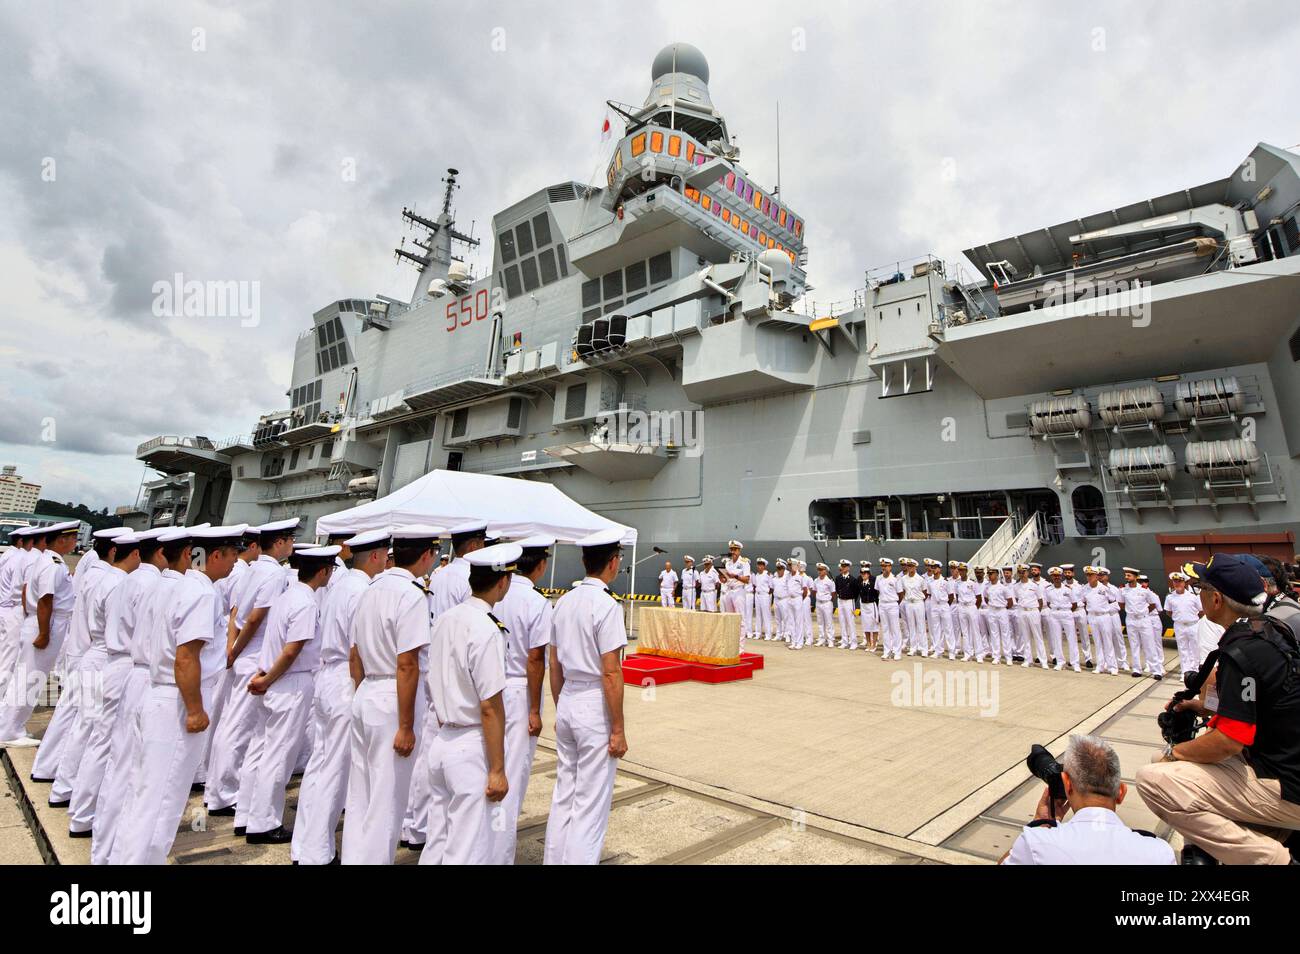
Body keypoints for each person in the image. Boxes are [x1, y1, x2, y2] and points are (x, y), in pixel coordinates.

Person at [1137, 554, 1300, 864]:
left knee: (1154, 778)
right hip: (1283, 763)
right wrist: (1201, 707)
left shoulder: (1242, 652)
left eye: (1200, 586)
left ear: (1215, 599)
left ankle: (1272, 858)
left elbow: (1229, 740)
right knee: (1163, 762)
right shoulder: (1269, 630)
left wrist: (1177, 753)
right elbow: (1262, 704)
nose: (1196, 591)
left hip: (1286, 784)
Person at [109, 525, 245, 864]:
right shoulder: (202, 593)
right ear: (214, 555)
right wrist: (196, 710)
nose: (234, 564)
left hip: (157, 693)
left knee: (141, 795)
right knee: (162, 801)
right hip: (176, 702)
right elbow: (187, 656)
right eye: (231, 555)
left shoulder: (173, 584)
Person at [341, 525, 439, 864]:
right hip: (392, 699)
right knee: (387, 802)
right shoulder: (411, 594)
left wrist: (360, 696)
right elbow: (408, 664)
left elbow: (354, 654)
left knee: (360, 795)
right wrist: (407, 725)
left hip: (366, 692)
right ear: (426, 555)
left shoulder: (371, 588)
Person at [291, 529, 387, 865]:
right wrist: (361, 692)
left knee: (319, 766)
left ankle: (302, 845)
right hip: (346, 681)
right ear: (374, 556)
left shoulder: (340, 585)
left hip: (326, 678)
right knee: (335, 770)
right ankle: (317, 853)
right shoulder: (361, 590)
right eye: (384, 554)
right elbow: (356, 649)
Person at [419, 543, 516, 864]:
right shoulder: (487, 630)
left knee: (438, 840)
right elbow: (490, 705)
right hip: (470, 746)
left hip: (441, 739)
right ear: (502, 582)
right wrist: (498, 769)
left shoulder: (446, 619)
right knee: (468, 848)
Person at [241, 545, 338, 844]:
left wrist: (265, 677)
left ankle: (247, 812)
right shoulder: (306, 603)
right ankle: (264, 823)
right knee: (279, 756)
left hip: (273, 681)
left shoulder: (287, 596)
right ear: (323, 571)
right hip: (289, 683)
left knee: (260, 749)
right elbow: (292, 650)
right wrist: (268, 679)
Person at [84, 527, 170, 864]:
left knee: (105, 746)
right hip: (131, 669)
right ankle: (109, 842)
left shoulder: (121, 581)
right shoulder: (149, 585)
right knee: (122, 759)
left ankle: (93, 826)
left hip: (112, 662)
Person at [544, 528, 628, 865]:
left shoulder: (563, 601)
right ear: (613, 563)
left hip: (567, 699)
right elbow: (611, 672)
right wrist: (618, 728)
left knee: (565, 793)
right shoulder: (606, 606)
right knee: (590, 804)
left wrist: (560, 705)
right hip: (594, 703)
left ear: (584, 561)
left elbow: (554, 663)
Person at [204, 518, 298, 818]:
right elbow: (256, 618)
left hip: (240, 654)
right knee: (240, 728)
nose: (292, 545)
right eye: (290, 540)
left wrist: (231, 650)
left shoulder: (251, 568)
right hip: (254, 654)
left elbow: (235, 614)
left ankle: (215, 788)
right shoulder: (274, 574)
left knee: (229, 724)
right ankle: (224, 793)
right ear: (281, 542)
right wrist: (238, 650)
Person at [32, 527, 133, 792]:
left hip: (82, 650)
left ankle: (48, 768)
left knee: (69, 716)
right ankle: (64, 782)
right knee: (85, 721)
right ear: (114, 550)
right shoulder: (112, 580)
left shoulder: (94, 574)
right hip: (95, 653)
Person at [63, 532, 140, 837]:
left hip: (98, 655)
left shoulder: (103, 578)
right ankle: (83, 812)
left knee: (87, 731)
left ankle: (70, 793)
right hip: (112, 660)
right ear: (133, 554)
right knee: (103, 738)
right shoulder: (121, 584)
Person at [485, 535, 553, 865]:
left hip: (486, 689)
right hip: (516, 692)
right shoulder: (537, 602)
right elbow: (536, 658)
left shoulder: (495, 594)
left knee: (484, 773)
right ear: (540, 565)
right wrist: (535, 709)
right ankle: (498, 857)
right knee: (510, 778)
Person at [1002, 735, 1174, 864]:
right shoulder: (1159, 853)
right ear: (1121, 792)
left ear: (1067, 785)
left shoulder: (1036, 843)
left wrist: (1041, 823)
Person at [0, 521, 82, 746]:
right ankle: (9, 731)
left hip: (38, 621)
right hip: (46, 623)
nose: (76, 542)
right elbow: (46, 599)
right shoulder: (53, 563)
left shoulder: (45, 560)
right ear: (61, 539)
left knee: (26, 677)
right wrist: (44, 632)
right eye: (73, 538)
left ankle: (9, 725)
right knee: (28, 679)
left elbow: (28, 590)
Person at [1164, 571, 1203, 676]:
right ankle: (1185, 672)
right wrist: (1179, 619)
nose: (1177, 584)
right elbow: (1168, 611)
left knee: (1195, 649)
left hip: (1193, 625)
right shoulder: (1170, 597)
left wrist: (1192, 618)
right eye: (1175, 581)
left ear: (1184, 582)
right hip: (1179, 626)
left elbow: (1201, 610)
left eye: (1179, 581)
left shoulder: (1193, 596)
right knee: (1183, 649)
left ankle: (1194, 671)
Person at [1044, 567, 1081, 672]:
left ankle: (1075, 663)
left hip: (1066, 613)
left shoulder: (1068, 589)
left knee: (1072, 638)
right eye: (1054, 576)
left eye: (1058, 576)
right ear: (1051, 577)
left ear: (1061, 576)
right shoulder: (1048, 589)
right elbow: (1047, 603)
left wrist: (1067, 611)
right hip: (1054, 613)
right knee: (1056, 638)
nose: (1056, 577)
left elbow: (1074, 604)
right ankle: (1060, 662)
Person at [720, 541, 751, 641]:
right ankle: (731, 644)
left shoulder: (744, 563)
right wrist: (723, 578)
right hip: (729, 591)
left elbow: (747, 580)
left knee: (740, 619)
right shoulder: (728, 563)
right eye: (731, 549)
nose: (733, 551)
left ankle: (740, 648)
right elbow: (726, 580)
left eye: (735, 549)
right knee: (730, 618)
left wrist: (736, 576)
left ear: (739, 550)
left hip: (739, 592)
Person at [875, 559, 903, 660]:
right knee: (885, 629)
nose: (884, 567)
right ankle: (887, 651)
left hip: (892, 605)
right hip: (882, 604)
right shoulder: (879, 578)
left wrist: (894, 603)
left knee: (895, 629)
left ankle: (897, 652)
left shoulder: (895, 579)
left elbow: (900, 594)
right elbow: (878, 592)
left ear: (890, 567)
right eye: (882, 565)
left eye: (886, 566)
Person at [832, 559, 859, 650]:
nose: (843, 568)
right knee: (842, 621)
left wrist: (852, 602)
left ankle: (853, 642)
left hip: (849, 601)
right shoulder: (838, 578)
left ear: (848, 567)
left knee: (850, 622)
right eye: (842, 566)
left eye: (845, 566)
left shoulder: (852, 579)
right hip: (841, 601)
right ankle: (844, 641)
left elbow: (856, 592)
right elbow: (837, 589)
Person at [811, 563, 836, 648]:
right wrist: (819, 598)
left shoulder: (829, 581)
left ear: (826, 571)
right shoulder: (816, 580)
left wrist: (827, 599)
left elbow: (833, 593)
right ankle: (822, 639)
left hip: (827, 603)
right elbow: (814, 591)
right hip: (818, 603)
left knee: (829, 622)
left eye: (821, 570)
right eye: (818, 570)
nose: (819, 571)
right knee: (820, 622)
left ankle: (830, 640)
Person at [858, 562, 878, 653]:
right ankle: (869, 644)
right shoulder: (861, 583)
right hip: (864, 605)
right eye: (862, 573)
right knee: (866, 626)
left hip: (871, 605)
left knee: (874, 626)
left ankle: (874, 644)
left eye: (865, 573)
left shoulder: (873, 583)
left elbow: (877, 595)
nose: (863, 575)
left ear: (868, 574)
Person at [751, 558, 773, 641]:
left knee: (766, 615)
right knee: (758, 615)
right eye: (758, 565)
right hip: (757, 595)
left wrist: (766, 594)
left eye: (761, 565)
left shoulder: (768, 575)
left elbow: (771, 588)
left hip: (764, 595)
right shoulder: (756, 575)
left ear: (764, 566)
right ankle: (758, 633)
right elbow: (755, 586)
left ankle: (768, 634)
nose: (759, 566)